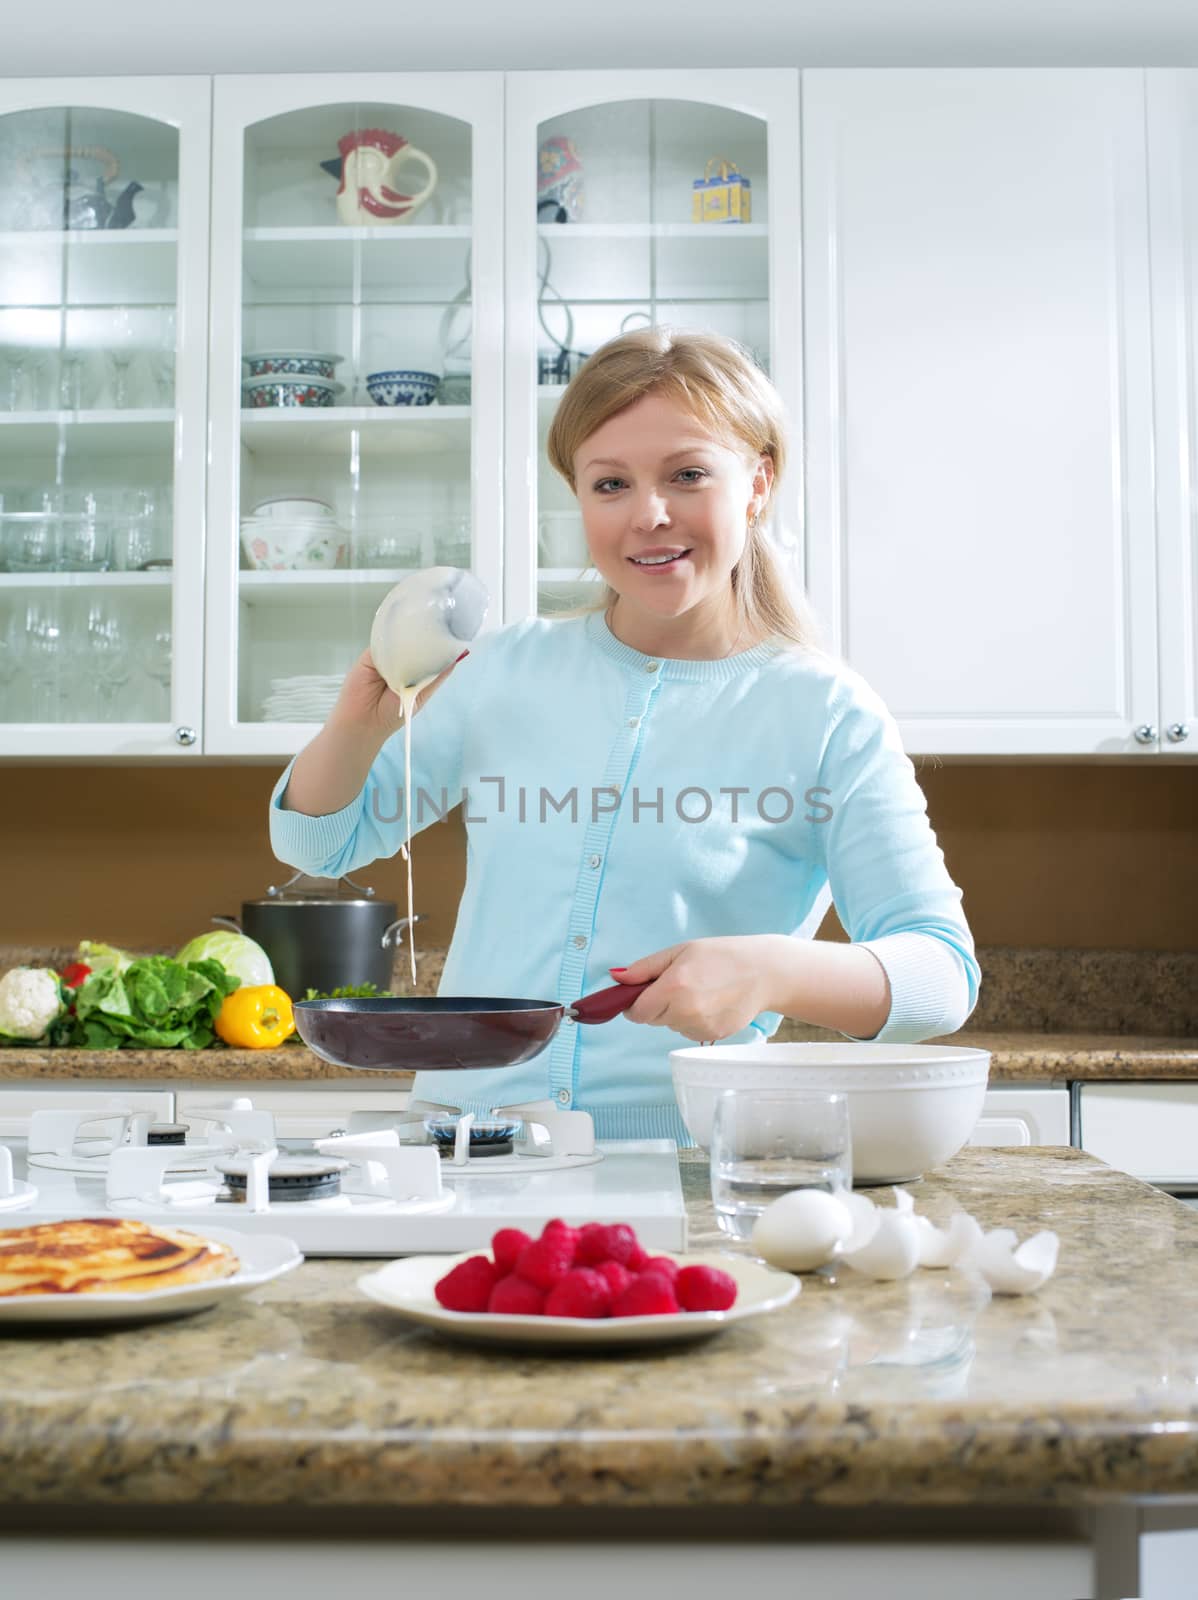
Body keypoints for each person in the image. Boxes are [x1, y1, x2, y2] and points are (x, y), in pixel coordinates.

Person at [268, 327, 980, 1142]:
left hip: (679, 1154)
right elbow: (317, 846)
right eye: (611, 483)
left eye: (687, 475)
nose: (649, 514)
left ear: (759, 482)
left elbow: (941, 976)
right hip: (463, 1145)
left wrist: (770, 969)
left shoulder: (825, 713)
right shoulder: (505, 668)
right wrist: (356, 724)